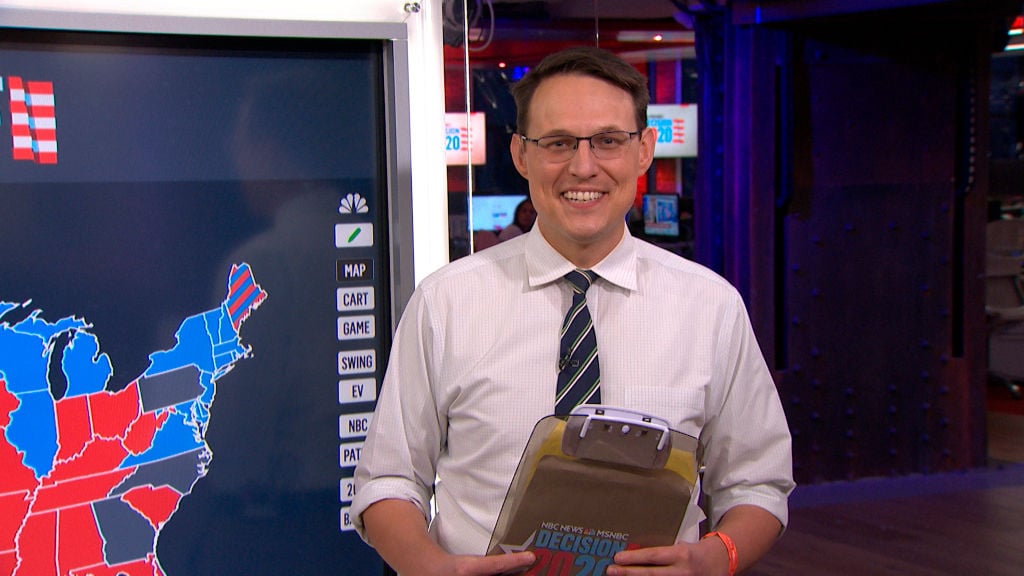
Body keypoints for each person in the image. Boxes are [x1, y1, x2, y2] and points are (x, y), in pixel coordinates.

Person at [352, 45, 794, 576]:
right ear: (520, 154)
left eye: (609, 141)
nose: (583, 167)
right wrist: (434, 570)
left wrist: (711, 561)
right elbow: (388, 482)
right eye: (558, 143)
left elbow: (757, 483)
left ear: (644, 150)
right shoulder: (446, 302)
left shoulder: (710, 307)